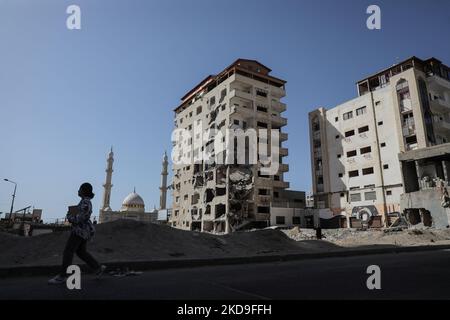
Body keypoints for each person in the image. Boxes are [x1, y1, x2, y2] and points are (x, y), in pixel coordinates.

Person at [48, 183, 106, 285]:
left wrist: (69, 216)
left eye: (80, 189)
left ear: (83, 191)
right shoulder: (85, 202)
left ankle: (62, 276)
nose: (78, 191)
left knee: (68, 251)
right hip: (83, 231)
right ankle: (97, 267)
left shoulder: (85, 203)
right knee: (81, 252)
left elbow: (80, 218)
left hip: (79, 231)